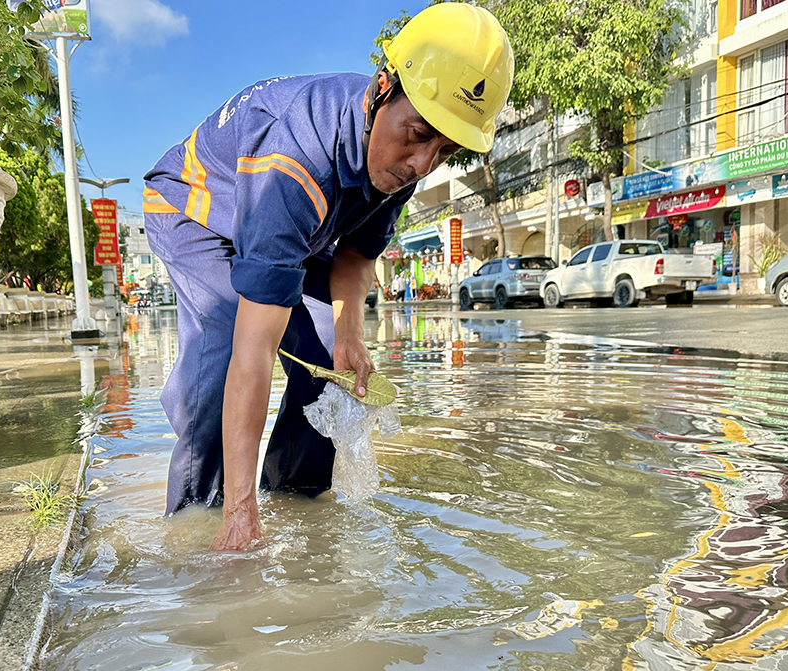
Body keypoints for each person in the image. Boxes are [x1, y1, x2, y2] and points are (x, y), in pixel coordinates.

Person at [141, 3, 513, 551]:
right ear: (382, 89)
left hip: (292, 229)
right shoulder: (294, 160)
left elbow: (357, 255)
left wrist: (349, 335)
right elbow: (254, 351)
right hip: (196, 213)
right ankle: (202, 515)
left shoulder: (400, 162)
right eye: (417, 134)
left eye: (444, 149)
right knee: (222, 348)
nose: (421, 163)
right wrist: (241, 511)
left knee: (327, 361)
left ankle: (296, 496)